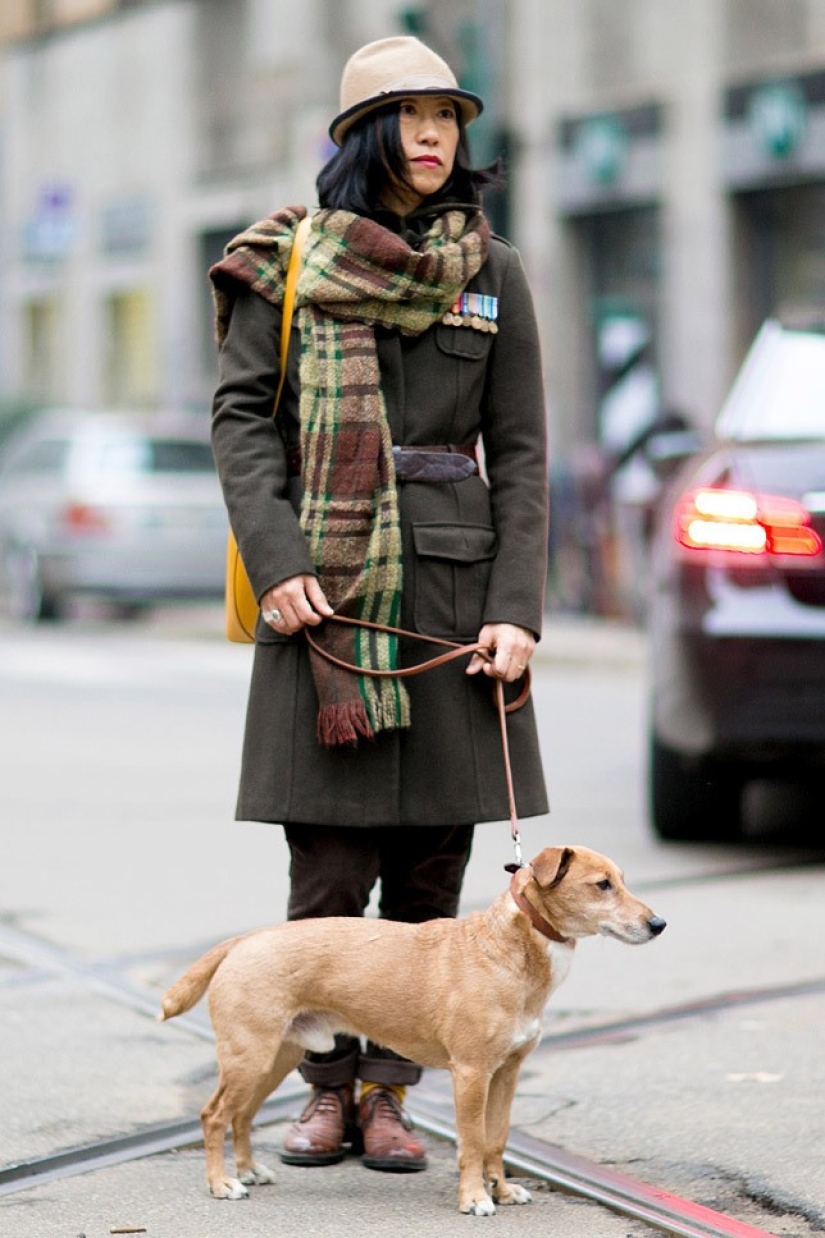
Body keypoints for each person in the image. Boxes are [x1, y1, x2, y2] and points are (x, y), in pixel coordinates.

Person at [209, 35, 549, 1175]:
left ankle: (392, 1096)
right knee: (327, 869)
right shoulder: (287, 262)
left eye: (448, 115)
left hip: (452, 595)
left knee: (429, 868)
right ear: (361, 137)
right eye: (408, 115)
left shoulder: (494, 268)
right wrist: (278, 554)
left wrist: (518, 610)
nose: (433, 133)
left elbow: (524, 450)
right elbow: (241, 420)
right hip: (327, 589)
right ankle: (325, 1088)